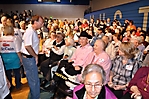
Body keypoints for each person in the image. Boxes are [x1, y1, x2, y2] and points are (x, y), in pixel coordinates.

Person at [21, 15, 44, 99]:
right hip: (29, 58)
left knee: (33, 79)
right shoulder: (30, 31)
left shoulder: (33, 31)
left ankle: (35, 95)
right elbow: (28, 46)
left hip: (29, 58)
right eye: (41, 22)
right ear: (35, 22)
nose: (42, 24)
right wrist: (35, 56)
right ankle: (35, 97)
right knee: (34, 80)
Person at [0, 24, 22, 91]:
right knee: (17, 72)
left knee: (8, 73)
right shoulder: (15, 38)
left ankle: (10, 86)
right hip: (14, 57)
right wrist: (21, 59)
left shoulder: (1, 39)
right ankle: (18, 85)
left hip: (4, 57)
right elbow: (18, 50)